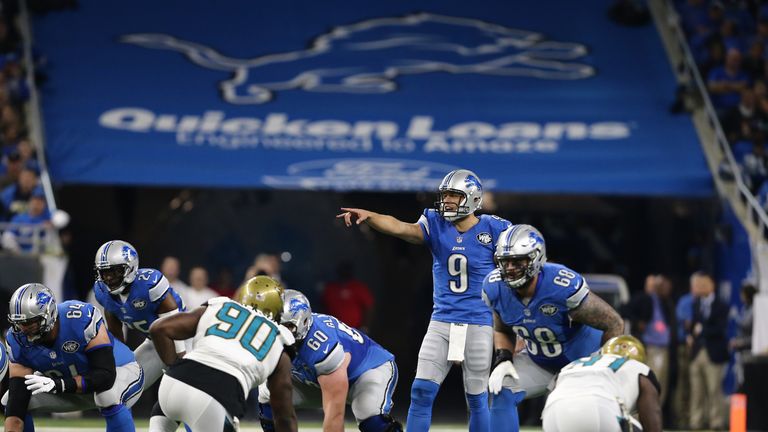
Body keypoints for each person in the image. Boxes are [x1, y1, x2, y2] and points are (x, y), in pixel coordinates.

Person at [338, 169, 511, 432]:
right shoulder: (436, 223)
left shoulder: (495, 229)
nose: (448, 201)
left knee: (476, 398)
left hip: (479, 322)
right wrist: (371, 217)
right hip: (441, 321)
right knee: (421, 391)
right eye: (446, 195)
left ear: (473, 198)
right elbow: (401, 227)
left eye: (455, 195)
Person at [482, 224, 624, 432]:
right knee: (501, 388)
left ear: (536, 258)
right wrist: (503, 359)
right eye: (505, 262)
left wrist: (603, 367)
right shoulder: (495, 288)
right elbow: (502, 329)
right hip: (539, 361)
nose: (510, 268)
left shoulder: (560, 286)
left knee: (578, 417)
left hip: (581, 361)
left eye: (517, 261)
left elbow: (614, 323)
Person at [148, 276, 297, 432]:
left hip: (170, 387)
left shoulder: (220, 305)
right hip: (213, 397)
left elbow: (159, 329)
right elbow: (283, 414)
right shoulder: (280, 339)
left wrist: (174, 366)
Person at [4, 283, 144, 432]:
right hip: (70, 385)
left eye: (29, 323)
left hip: (119, 371)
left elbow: (105, 376)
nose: (24, 331)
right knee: (11, 401)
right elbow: (16, 406)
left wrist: (60, 385)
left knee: (107, 396)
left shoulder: (79, 318)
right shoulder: (16, 340)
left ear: (49, 314)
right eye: (19, 324)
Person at [258, 290, 402, 432]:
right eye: (275, 324)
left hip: (367, 369)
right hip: (317, 380)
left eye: (287, 326)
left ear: (304, 322)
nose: (280, 331)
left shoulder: (322, 347)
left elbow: (335, 416)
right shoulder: (274, 336)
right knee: (268, 394)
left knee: (369, 416)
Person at [92, 240, 187, 390]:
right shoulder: (102, 292)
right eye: (105, 272)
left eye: (114, 271)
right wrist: (119, 363)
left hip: (183, 337)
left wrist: (182, 358)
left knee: (186, 385)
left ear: (130, 268)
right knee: (123, 386)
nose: (109, 278)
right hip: (154, 342)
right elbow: (116, 334)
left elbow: (172, 323)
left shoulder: (149, 284)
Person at [542, 335, 662, 432]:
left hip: (552, 414)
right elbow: (652, 421)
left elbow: (555, 389)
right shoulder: (638, 368)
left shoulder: (573, 365)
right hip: (600, 410)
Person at [688, 272, 728, 430]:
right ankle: (696, 422)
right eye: (698, 284)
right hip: (697, 352)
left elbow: (719, 329)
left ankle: (716, 422)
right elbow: (693, 327)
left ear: (712, 286)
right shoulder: (696, 303)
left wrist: (702, 330)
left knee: (713, 390)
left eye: (703, 284)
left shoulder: (721, 305)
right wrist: (691, 334)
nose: (700, 287)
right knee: (696, 391)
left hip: (713, 352)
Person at [322, 261, 374, 330]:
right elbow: (323, 307)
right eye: (342, 270)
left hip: (355, 330)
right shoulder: (330, 288)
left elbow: (369, 307)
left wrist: (365, 327)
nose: (344, 273)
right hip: (333, 329)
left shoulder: (358, 287)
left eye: (346, 270)